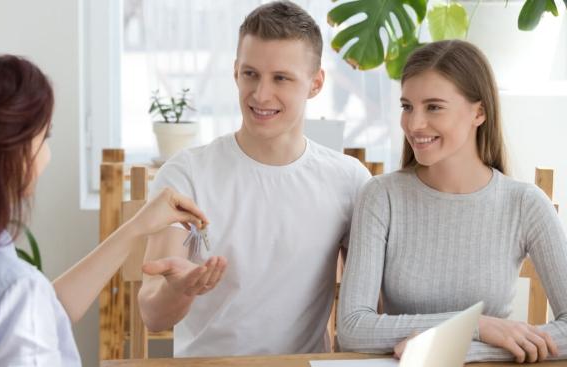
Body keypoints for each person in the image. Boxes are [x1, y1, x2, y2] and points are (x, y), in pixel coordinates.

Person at [0, 53, 208, 367]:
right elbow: (25, 311)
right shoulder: (15, 290)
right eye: (44, 138)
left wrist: (136, 227)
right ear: (17, 156)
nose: (47, 153)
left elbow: (43, 313)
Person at [138, 1, 371, 357]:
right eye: (250, 74)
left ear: (315, 83)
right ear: (235, 72)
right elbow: (153, 315)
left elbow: (373, 305)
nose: (261, 95)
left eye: (281, 78)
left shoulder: (349, 181)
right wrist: (181, 288)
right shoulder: (187, 174)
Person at [337, 39, 567, 363]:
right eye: (407, 106)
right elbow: (352, 328)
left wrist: (462, 348)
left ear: (480, 112)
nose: (414, 124)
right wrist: (475, 325)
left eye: (433, 106)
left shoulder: (525, 204)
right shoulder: (381, 197)